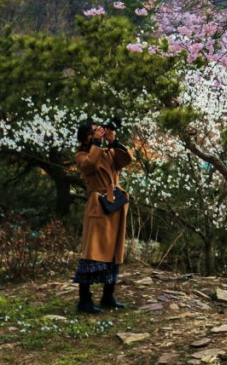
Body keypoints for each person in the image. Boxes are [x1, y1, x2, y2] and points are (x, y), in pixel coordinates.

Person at [72, 117, 133, 314]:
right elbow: (89, 165)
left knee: (114, 253)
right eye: (93, 132)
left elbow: (126, 160)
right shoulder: (82, 155)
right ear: (86, 137)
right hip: (98, 206)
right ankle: (84, 300)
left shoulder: (107, 152)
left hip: (114, 205)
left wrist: (113, 142)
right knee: (92, 253)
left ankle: (108, 296)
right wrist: (97, 143)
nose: (98, 133)